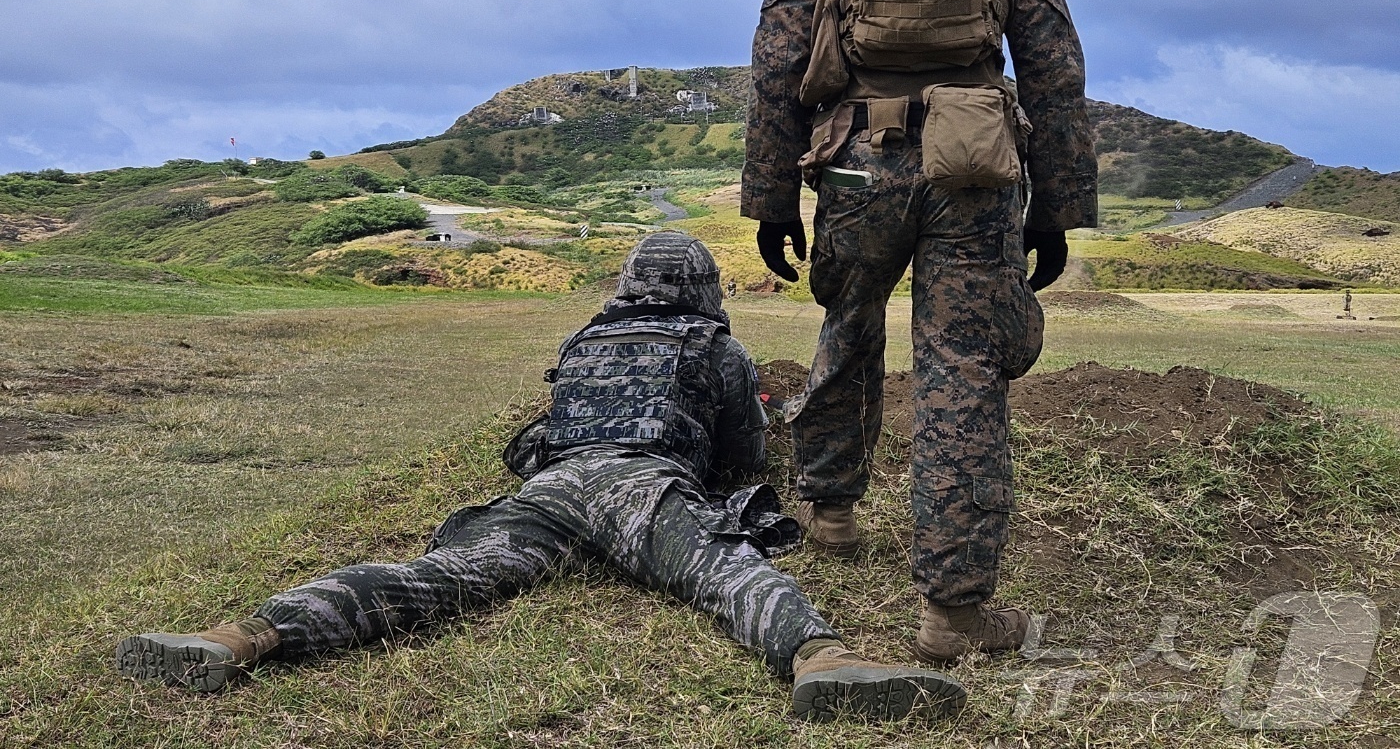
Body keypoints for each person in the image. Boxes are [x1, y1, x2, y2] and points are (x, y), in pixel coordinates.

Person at [115, 233, 965, 723]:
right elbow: (744, 457)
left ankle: (242, 637)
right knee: (723, 569)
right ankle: (822, 660)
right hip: (641, 488)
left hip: (548, 494)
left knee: (435, 579)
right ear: (704, 287)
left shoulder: (582, 343)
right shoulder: (715, 347)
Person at [741, 0, 1097, 664]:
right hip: (974, 170)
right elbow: (1055, 79)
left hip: (858, 166)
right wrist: (1054, 209)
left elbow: (775, 73)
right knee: (962, 372)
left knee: (847, 327)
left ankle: (831, 510)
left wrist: (772, 198)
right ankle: (954, 612)